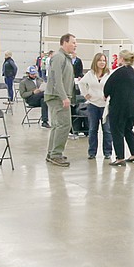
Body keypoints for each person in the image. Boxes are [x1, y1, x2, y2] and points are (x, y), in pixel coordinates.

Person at [103, 50, 134, 166]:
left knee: (117, 131)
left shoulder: (118, 72)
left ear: (121, 58)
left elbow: (107, 87)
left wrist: (105, 95)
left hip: (120, 107)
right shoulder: (133, 72)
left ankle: (120, 157)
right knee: (128, 130)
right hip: (133, 107)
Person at [44, 34, 77, 167]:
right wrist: (64, 97)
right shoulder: (59, 57)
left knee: (58, 125)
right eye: (73, 42)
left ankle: (52, 153)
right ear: (64, 42)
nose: (75, 45)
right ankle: (56, 154)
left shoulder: (65, 58)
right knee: (64, 125)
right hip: (57, 97)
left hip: (59, 96)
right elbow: (56, 79)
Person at [78, 53, 113, 159]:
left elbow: (113, 86)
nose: (102, 62)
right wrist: (85, 94)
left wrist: (109, 96)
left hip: (105, 106)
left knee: (107, 130)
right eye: (100, 60)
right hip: (93, 105)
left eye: (104, 60)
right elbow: (81, 83)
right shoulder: (90, 74)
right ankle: (92, 152)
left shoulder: (109, 74)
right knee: (93, 129)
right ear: (95, 62)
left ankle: (108, 152)